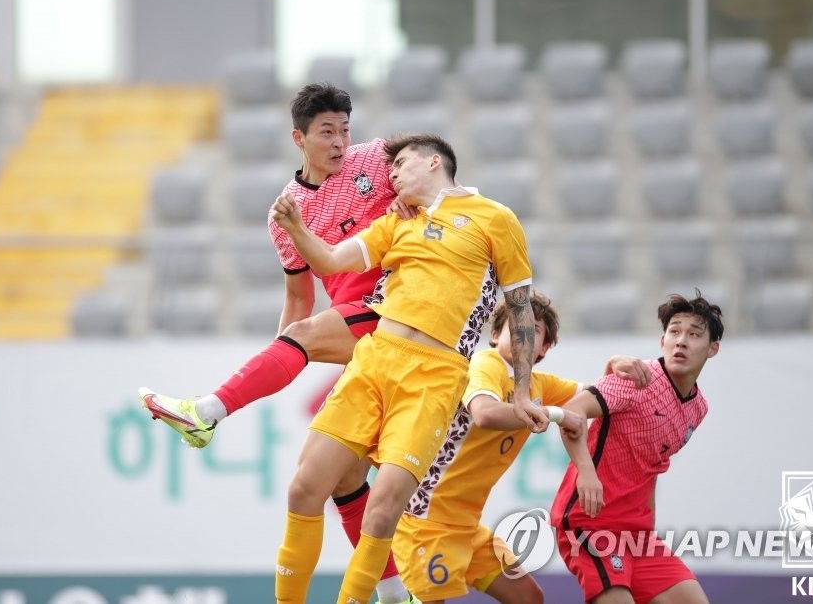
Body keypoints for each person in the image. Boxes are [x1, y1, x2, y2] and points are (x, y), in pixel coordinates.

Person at [138, 82, 417, 604]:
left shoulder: (377, 160)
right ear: (299, 138)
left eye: (344, 129)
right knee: (334, 480)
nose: (339, 142)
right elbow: (298, 300)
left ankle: (204, 414)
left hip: (402, 310)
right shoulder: (285, 214)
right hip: (359, 329)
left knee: (306, 347)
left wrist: (414, 195)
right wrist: (278, 359)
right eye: (326, 132)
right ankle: (397, 595)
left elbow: (432, 165)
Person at [269, 133, 550, 604]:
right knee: (303, 489)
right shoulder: (395, 223)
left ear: (434, 162)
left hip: (435, 377)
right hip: (375, 360)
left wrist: (521, 390)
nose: (391, 173)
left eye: (401, 163)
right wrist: (296, 227)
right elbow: (331, 260)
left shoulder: (496, 219)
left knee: (382, 514)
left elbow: (519, 307)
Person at [392, 293, 652, 604]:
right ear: (495, 334)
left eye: (534, 328)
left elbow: (598, 394)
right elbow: (485, 413)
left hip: (467, 527)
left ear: (544, 347)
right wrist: (555, 414)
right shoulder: (487, 364)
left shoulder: (538, 385)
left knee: (529, 598)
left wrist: (613, 367)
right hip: (427, 520)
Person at [551, 292, 723, 604]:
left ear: (713, 348)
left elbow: (653, 465)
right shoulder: (635, 378)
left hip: (638, 535)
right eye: (674, 331)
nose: (681, 341)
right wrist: (586, 472)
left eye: (694, 334)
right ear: (662, 341)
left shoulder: (698, 408)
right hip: (589, 522)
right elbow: (570, 414)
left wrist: (649, 525)